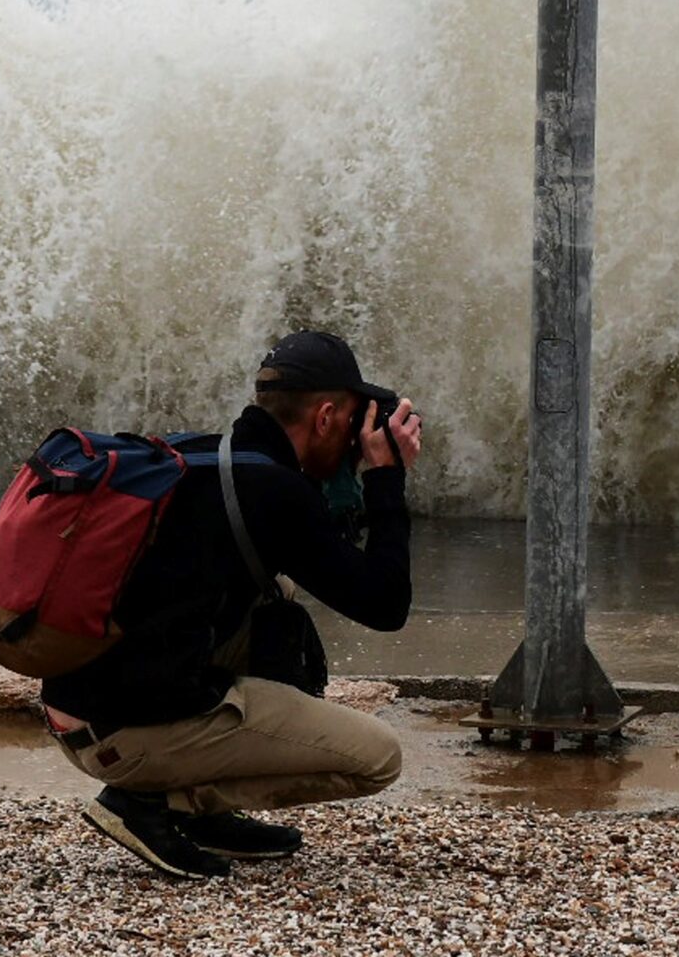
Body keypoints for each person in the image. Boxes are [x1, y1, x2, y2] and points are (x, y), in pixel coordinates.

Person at [45, 329, 423, 880]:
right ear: (323, 419)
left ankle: (205, 812)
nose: (352, 439)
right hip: (119, 741)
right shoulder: (273, 493)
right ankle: (155, 803)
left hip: (75, 709)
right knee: (377, 758)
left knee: (278, 600)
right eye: (348, 423)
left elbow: (322, 550)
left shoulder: (208, 457)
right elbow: (386, 605)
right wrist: (387, 479)